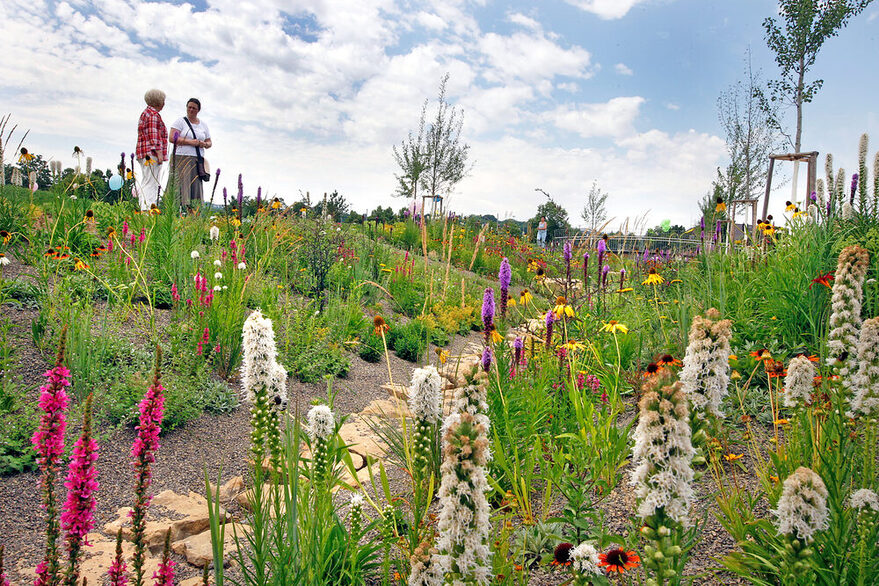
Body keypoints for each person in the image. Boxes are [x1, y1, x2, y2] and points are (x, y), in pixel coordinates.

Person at [170, 98, 212, 210]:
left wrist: (204, 144)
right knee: (179, 186)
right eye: (189, 107)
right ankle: (174, 212)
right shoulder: (180, 122)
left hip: (196, 160)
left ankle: (193, 215)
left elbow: (209, 142)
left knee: (195, 188)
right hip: (181, 158)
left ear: (198, 110)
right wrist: (190, 142)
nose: (191, 110)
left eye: (194, 108)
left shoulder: (203, 125)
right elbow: (172, 137)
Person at [134, 89, 168, 211]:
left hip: (143, 152)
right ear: (158, 101)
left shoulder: (146, 113)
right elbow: (154, 136)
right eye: (163, 100)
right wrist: (159, 154)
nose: (164, 103)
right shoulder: (153, 115)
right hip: (151, 154)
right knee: (152, 182)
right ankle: (148, 210)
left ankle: (144, 208)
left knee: (147, 181)